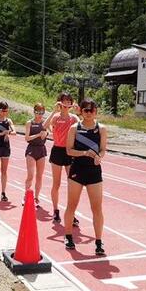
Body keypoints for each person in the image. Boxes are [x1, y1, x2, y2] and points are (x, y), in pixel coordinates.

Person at [64, 98, 107, 255]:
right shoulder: (74, 128)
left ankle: (99, 242)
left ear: (96, 112)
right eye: (86, 110)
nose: (89, 113)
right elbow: (68, 150)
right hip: (77, 170)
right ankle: (68, 236)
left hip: (94, 171)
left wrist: (99, 157)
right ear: (81, 111)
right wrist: (84, 153)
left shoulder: (101, 129)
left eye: (92, 110)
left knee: (97, 208)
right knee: (72, 205)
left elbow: (103, 150)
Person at [48, 93, 80, 224]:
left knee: (72, 184)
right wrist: (53, 111)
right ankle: (55, 210)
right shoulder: (56, 117)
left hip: (69, 151)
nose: (66, 104)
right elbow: (45, 126)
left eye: (69, 101)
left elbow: (84, 128)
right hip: (57, 151)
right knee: (56, 183)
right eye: (64, 101)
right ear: (60, 103)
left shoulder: (74, 118)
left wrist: (80, 113)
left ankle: (71, 213)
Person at [23, 103, 52, 207]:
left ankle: (36, 197)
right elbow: (27, 138)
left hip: (41, 150)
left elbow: (52, 133)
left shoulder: (45, 123)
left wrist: (47, 134)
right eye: (38, 112)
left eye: (42, 113)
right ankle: (26, 196)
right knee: (30, 175)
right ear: (34, 112)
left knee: (39, 176)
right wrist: (38, 135)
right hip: (31, 149)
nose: (40, 115)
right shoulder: (29, 123)